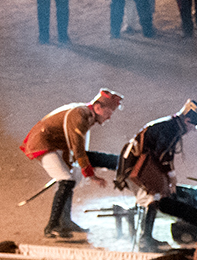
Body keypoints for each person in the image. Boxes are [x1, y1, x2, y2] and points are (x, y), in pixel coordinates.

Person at [21, 88, 122, 240]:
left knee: (70, 179)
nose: (108, 118)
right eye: (108, 113)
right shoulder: (79, 115)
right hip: (42, 144)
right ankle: (52, 226)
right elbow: (78, 148)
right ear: (98, 107)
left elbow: (74, 147)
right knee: (66, 180)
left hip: (56, 145)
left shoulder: (87, 116)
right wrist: (91, 175)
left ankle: (65, 222)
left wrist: (81, 167)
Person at [118, 99, 197, 252]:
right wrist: (171, 177)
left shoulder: (171, 126)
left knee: (153, 199)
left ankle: (146, 237)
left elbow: (164, 155)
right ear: (187, 120)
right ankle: (144, 240)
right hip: (136, 168)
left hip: (143, 166)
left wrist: (169, 179)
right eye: (194, 125)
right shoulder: (170, 129)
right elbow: (162, 156)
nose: (194, 129)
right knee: (150, 199)